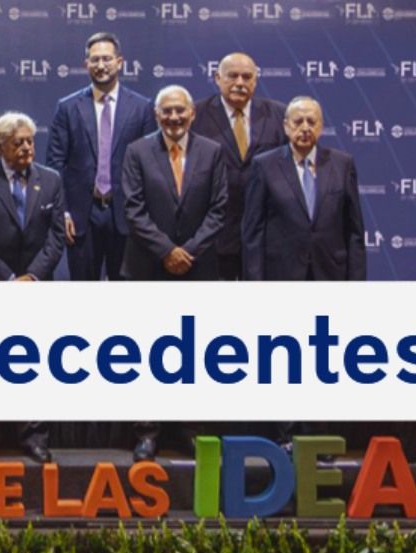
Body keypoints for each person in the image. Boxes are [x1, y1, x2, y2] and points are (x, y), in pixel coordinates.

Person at [119, 85, 228, 463]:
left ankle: (190, 430)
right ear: (156, 115)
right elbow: (132, 209)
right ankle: (147, 433)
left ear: (192, 113)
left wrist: (189, 252)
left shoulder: (213, 153)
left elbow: (219, 209)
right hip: (148, 268)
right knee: (146, 354)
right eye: (166, 111)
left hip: (198, 270)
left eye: (180, 110)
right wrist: (167, 251)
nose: (174, 117)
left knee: (193, 355)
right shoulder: (137, 152)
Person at [0, 112, 65, 464]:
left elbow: (55, 237)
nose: (26, 148)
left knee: (33, 362)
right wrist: (8, 280)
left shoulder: (51, 180)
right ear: (0, 146)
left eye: (30, 141)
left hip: (36, 286)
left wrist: (32, 277)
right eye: (18, 142)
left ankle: (34, 436)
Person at [45, 33, 157, 281]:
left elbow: (151, 167)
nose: (100, 65)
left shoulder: (141, 107)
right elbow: (55, 164)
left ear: (120, 62)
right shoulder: (68, 107)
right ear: (86, 65)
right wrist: (62, 212)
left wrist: (145, 216)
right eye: (94, 59)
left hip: (128, 216)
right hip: (81, 216)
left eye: (107, 58)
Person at [243, 97, 367, 281]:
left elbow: (354, 231)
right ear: (286, 126)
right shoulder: (264, 165)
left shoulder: (342, 164)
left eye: (311, 121)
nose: (305, 128)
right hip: (281, 275)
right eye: (298, 121)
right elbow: (253, 232)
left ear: (321, 126)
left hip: (331, 273)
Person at [189, 52, 287, 280]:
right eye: (232, 76)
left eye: (247, 77)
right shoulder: (195, 115)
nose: (240, 83)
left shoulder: (279, 115)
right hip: (212, 235)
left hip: (265, 235)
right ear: (217, 78)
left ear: (255, 80)